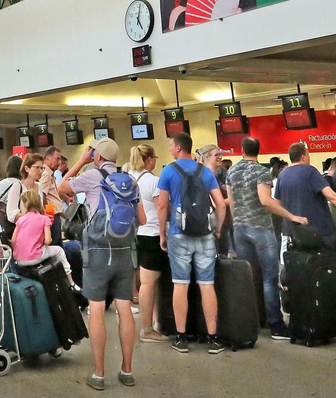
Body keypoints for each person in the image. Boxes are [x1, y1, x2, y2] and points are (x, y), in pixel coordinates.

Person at [59, 138, 141, 391]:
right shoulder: (130, 180)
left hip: (97, 251)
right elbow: (142, 218)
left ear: (97, 155)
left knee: (96, 310)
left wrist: (82, 160)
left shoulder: (93, 176)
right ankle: (127, 371)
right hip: (125, 252)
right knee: (124, 308)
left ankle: (98, 374)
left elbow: (62, 187)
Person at [225, 137, 306, 341]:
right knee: (269, 278)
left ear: (242, 150)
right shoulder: (262, 172)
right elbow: (265, 201)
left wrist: (237, 222)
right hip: (261, 229)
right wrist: (292, 216)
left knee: (249, 278)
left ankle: (253, 320)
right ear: (258, 151)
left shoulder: (231, 171)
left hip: (240, 229)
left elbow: (232, 202)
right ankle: (276, 325)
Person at [155, 134, 229, 354]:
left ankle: (181, 338)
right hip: (205, 235)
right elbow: (220, 205)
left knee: (181, 284)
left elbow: (161, 206)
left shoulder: (168, 171)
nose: (169, 148)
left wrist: (162, 234)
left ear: (178, 148)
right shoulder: (205, 171)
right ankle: (213, 338)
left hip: (179, 234)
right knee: (207, 285)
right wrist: (217, 229)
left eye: (170, 145)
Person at [274, 142, 336, 244]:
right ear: (303, 157)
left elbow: (277, 204)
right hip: (318, 229)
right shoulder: (310, 171)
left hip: (292, 231)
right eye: (308, 155)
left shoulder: (282, 175)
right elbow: (332, 196)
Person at [128, 145, 169, 344]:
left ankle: (154, 322)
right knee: (149, 282)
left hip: (136, 233)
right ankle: (147, 328)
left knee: (147, 282)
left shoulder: (129, 178)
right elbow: (161, 207)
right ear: (149, 159)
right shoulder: (153, 181)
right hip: (152, 233)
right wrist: (164, 233)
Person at [12, 188, 73, 276]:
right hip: (35, 257)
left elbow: (14, 240)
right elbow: (48, 241)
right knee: (59, 250)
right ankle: (70, 281)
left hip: (19, 259)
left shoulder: (21, 219)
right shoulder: (44, 218)